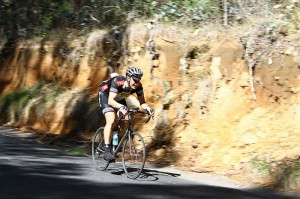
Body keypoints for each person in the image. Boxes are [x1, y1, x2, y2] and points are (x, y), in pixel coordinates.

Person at [98, 66, 155, 161]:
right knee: (111, 119)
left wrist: (148, 109)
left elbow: (142, 103)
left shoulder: (138, 86)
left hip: (119, 98)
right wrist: (121, 107)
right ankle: (107, 149)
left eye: (138, 80)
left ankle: (114, 141)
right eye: (135, 80)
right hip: (106, 96)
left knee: (127, 118)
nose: (137, 83)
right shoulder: (118, 81)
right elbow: (111, 101)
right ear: (128, 78)